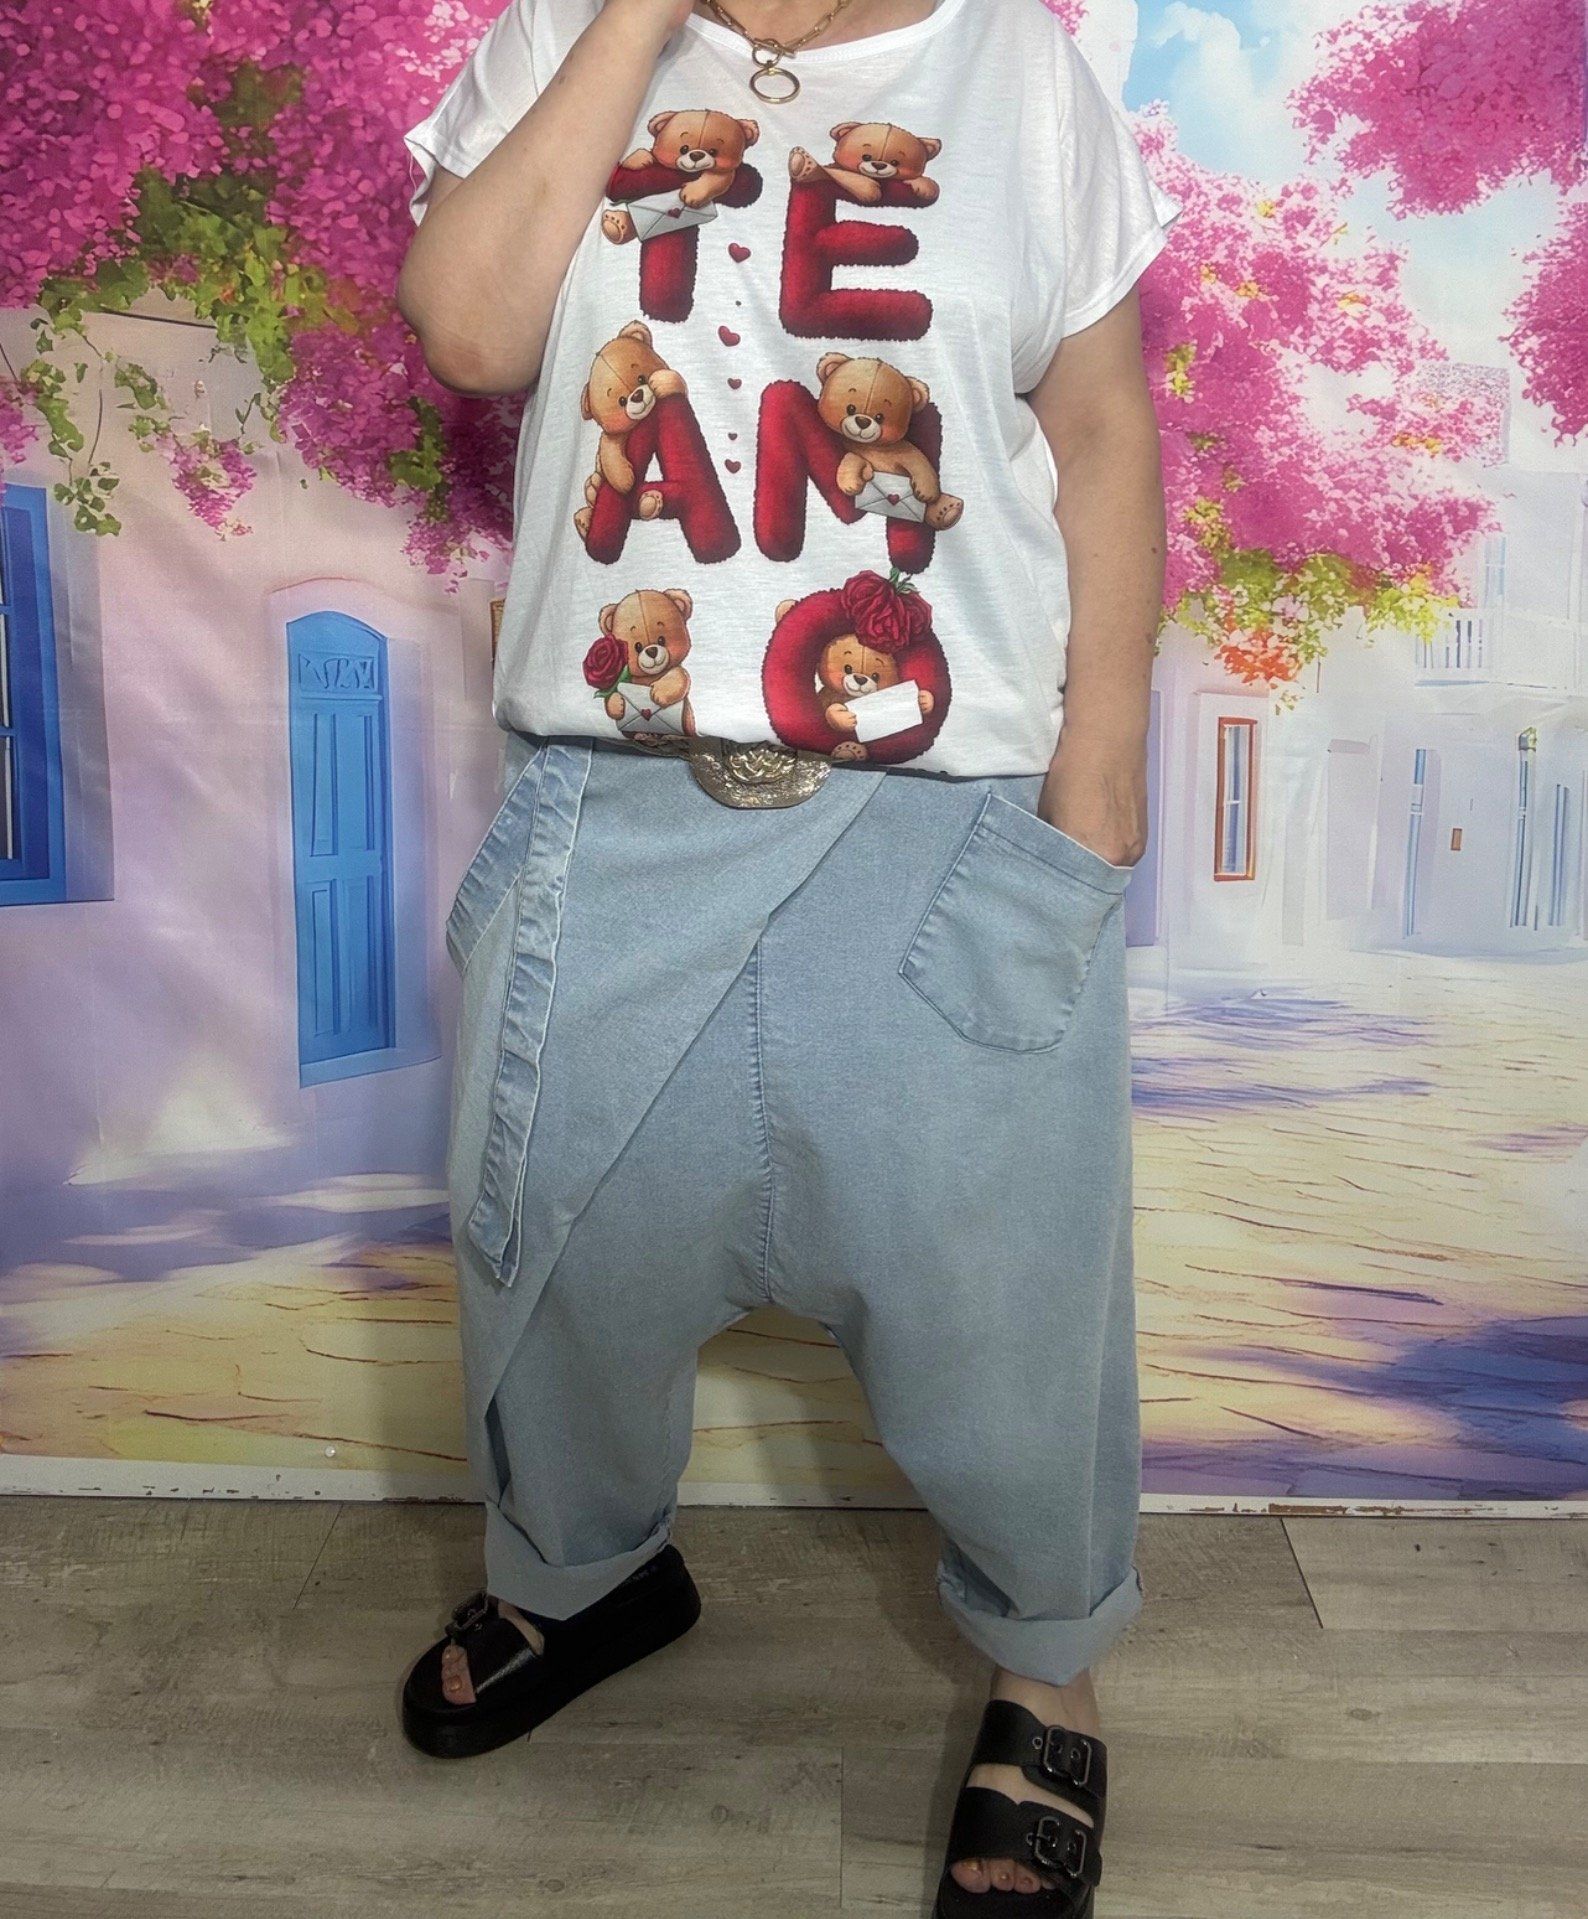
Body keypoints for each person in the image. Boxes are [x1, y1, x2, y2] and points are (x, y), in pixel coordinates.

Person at [396, 1, 1176, 1909]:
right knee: (558, 1265)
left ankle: (1045, 1673)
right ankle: (582, 1580)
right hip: (615, 801)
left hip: (941, 820)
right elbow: (473, 333)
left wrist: (1099, 768)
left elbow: (1100, 433)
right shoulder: (563, 36)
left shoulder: (1023, 76)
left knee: (1002, 1301)